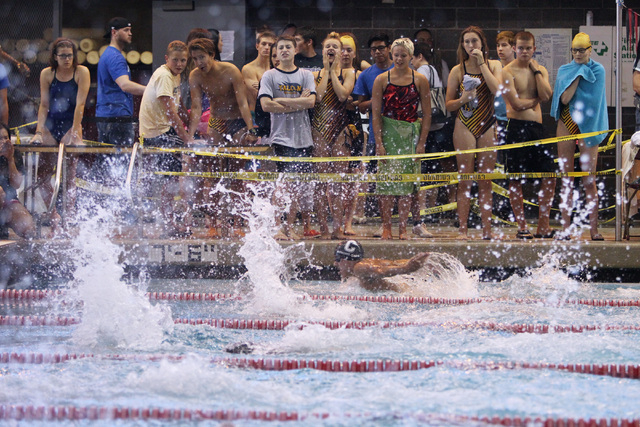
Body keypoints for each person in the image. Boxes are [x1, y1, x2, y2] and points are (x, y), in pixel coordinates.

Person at [187, 37, 257, 238]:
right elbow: (197, 107)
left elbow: (243, 103)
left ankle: (238, 223)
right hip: (216, 121)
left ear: (212, 55)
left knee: (235, 174)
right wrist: (190, 136)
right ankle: (214, 223)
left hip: (236, 121)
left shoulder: (231, 70)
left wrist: (250, 129)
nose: (199, 63)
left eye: (202, 57)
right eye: (195, 59)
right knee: (214, 174)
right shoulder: (195, 76)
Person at [445, 26, 502, 240]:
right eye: (467, 42)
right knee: (465, 179)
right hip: (465, 124)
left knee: (486, 179)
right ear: (462, 45)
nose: (471, 46)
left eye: (474, 42)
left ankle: (487, 229)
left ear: (482, 44)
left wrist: (482, 65)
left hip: (487, 122)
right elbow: (448, 104)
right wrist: (463, 100)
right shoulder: (457, 70)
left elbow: (498, 91)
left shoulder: (494, 65)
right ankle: (463, 229)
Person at [550, 32, 608, 241]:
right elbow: (564, 99)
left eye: (582, 50)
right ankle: (566, 228)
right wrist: (578, 75)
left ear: (590, 50)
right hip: (566, 122)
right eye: (574, 50)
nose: (577, 53)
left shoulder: (598, 70)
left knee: (588, 180)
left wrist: (584, 72)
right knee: (566, 178)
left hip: (588, 124)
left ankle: (594, 229)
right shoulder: (566, 70)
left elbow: (594, 101)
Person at [371, 38, 431, 240]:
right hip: (389, 133)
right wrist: (379, 143)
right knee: (386, 184)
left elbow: (428, 115)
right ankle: (386, 225)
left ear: (411, 57)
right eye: (396, 55)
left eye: (403, 55)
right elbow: (376, 114)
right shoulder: (381, 79)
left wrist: (421, 143)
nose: (399, 59)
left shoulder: (420, 80)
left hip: (410, 134)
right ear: (391, 55)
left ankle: (403, 227)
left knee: (407, 185)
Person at [259, 35, 316, 240]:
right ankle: (276, 227)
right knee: (283, 184)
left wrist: (281, 100)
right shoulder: (269, 76)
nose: (284, 50)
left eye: (287, 47)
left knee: (296, 186)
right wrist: (297, 101)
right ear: (277, 52)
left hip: (303, 138)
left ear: (294, 51)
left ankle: (289, 226)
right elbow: (266, 105)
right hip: (281, 138)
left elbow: (310, 103)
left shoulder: (306, 74)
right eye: (280, 47)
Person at [30, 38, 90, 228]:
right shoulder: (47, 74)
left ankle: (69, 215)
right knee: (43, 174)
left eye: (70, 55)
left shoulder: (81, 72)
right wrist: (39, 132)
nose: (67, 59)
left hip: (71, 122)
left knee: (69, 173)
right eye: (63, 56)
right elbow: (44, 104)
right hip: (51, 123)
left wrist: (74, 130)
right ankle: (53, 213)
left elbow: (80, 104)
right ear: (55, 57)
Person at [501, 31, 554, 239]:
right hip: (516, 127)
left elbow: (547, 95)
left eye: (528, 48)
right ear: (515, 48)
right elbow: (516, 103)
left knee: (549, 176)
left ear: (534, 48)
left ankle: (543, 226)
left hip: (538, 129)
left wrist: (537, 73)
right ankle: (522, 226)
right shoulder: (507, 71)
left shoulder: (540, 69)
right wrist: (535, 101)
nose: (524, 51)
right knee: (516, 179)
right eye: (520, 48)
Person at [139, 40, 191, 237]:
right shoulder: (164, 76)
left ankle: (170, 220)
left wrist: (190, 123)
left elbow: (177, 106)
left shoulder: (174, 76)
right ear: (166, 59)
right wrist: (187, 138)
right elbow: (170, 113)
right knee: (170, 179)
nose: (179, 64)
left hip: (163, 130)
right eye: (175, 60)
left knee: (172, 177)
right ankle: (168, 224)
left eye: (183, 61)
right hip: (157, 133)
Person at [312, 32, 356, 239]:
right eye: (328, 46)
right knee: (321, 181)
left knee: (339, 181)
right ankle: (323, 227)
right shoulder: (314, 75)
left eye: (335, 47)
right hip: (319, 128)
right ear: (323, 51)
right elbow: (319, 97)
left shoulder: (348, 73)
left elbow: (342, 95)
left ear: (340, 52)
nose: (331, 49)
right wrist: (326, 71)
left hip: (340, 129)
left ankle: (337, 227)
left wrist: (332, 72)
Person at [95, 17, 146, 186]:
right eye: (126, 30)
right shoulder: (115, 57)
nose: (130, 34)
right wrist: (152, 91)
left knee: (108, 164)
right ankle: (119, 207)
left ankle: (106, 204)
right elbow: (124, 85)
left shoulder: (108, 55)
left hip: (108, 116)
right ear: (114, 32)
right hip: (116, 117)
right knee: (121, 165)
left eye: (130, 30)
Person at [334, 240, 430, 293]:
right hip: (411, 291)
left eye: (338, 259)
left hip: (409, 296)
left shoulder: (359, 268)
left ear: (345, 260)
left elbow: (380, 271)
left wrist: (406, 268)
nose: (335, 263)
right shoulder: (367, 263)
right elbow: (394, 263)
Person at [0, 123, 36, 239]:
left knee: (28, 229)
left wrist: (10, 159)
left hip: (9, 201)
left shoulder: (15, 154)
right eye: (0, 138)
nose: (4, 141)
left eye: (6, 138)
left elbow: (16, 184)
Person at [242, 30, 277, 113]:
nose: (267, 47)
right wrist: (274, 87)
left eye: (270, 45)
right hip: (255, 113)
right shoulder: (248, 68)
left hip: (274, 112)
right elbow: (257, 95)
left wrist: (261, 85)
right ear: (257, 46)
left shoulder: (277, 67)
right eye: (264, 44)